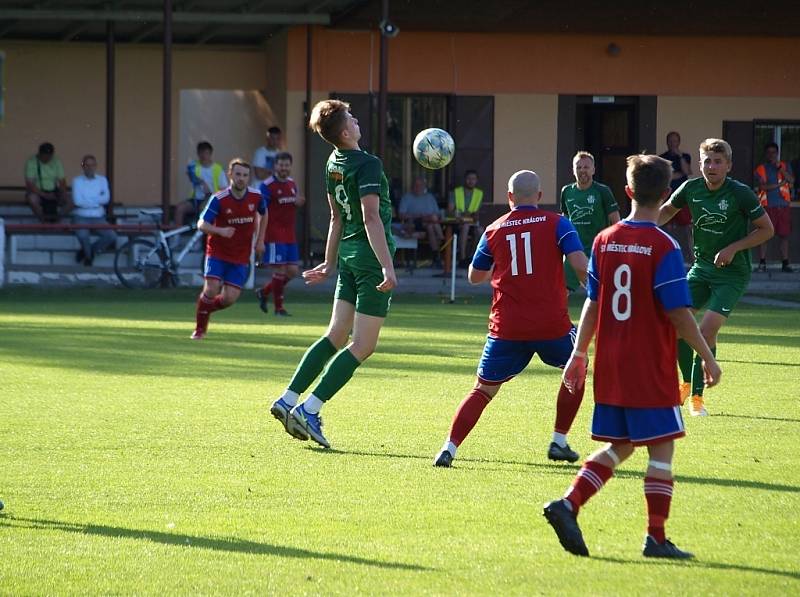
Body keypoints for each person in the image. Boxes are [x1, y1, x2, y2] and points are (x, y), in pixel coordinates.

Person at [543, 154, 722, 560]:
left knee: (621, 445)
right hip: (647, 365)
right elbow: (678, 312)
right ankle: (656, 538)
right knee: (661, 450)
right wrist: (707, 358)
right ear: (665, 196)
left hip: (611, 363)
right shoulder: (663, 244)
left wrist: (578, 353)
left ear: (627, 192)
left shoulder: (605, 240)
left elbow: (591, 302)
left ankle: (567, 504)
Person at [433, 170, 589, 467]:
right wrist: (593, 288)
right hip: (551, 325)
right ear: (540, 197)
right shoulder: (558, 223)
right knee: (577, 369)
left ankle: (448, 448)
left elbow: (474, 277)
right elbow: (580, 265)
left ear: (509, 198)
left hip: (507, 327)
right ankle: (559, 440)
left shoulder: (494, 229)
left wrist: (504, 266)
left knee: (483, 390)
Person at [268, 99, 396, 449]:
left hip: (350, 257)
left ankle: (288, 398)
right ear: (344, 131)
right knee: (363, 345)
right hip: (369, 259)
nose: (357, 121)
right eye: (352, 118)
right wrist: (387, 265)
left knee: (336, 334)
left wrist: (328, 261)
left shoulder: (333, 161)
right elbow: (370, 217)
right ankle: (310, 408)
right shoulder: (368, 164)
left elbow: (336, 217)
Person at [659, 139, 773, 416]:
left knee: (705, 331)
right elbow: (665, 212)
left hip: (732, 274)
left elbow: (766, 229)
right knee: (675, 322)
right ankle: (686, 382)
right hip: (701, 268)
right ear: (700, 164)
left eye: (718, 161)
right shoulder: (691, 188)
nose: (712, 166)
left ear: (729, 166)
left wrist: (733, 248)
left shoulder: (740, 193)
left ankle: (697, 399)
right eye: (707, 161)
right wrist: (637, 227)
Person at [191, 158, 267, 340]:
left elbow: (264, 214)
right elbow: (201, 224)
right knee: (211, 289)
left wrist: (260, 240)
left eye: (245, 175)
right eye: (238, 174)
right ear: (230, 175)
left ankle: (204, 309)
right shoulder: (219, 199)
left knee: (229, 299)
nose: (241, 178)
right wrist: (220, 230)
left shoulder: (256, 197)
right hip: (217, 252)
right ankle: (200, 329)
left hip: (240, 255)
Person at [560, 152, 620, 291]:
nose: (582, 171)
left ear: (593, 169)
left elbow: (616, 221)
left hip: (597, 250)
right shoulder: (567, 191)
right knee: (562, 291)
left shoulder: (602, 191)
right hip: (574, 250)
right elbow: (565, 219)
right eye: (578, 167)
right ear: (573, 170)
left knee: (599, 291)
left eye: (586, 167)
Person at [256, 152, 306, 317]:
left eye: (286, 165)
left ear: (290, 167)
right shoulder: (267, 185)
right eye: (280, 165)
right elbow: (261, 211)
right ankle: (279, 309)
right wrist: (260, 237)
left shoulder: (292, 184)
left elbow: (292, 202)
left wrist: (298, 202)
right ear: (275, 166)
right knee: (279, 270)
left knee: (292, 271)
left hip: (289, 233)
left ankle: (264, 292)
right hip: (273, 233)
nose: (284, 168)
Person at [754, 142, 794, 273]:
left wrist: (781, 169)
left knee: (784, 235)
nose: (771, 155)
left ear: (777, 153)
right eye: (769, 153)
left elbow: (792, 180)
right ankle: (762, 262)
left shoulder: (785, 166)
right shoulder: (761, 168)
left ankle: (785, 263)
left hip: (783, 206)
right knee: (764, 234)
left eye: (774, 153)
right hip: (768, 206)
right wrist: (781, 183)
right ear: (766, 154)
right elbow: (763, 187)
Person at [70, 155, 116, 266]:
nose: (90, 167)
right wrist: (96, 200)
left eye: (92, 165)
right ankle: (89, 258)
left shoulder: (102, 180)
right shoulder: (76, 181)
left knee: (111, 236)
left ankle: (88, 251)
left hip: (98, 216)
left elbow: (106, 199)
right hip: (81, 216)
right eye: (87, 165)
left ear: (96, 166)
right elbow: (77, 201)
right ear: (83, 166)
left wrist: (87, 200)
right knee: (82, 236)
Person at [659, 132, 694, 264]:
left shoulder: (685, 156)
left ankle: (692, 259)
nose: (673, 143)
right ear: (667, 142)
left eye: (675, 141)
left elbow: (688, 172)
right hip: (667, 197)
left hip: (683, 198)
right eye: (670, 141)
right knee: (666, 228)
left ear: (679, 142)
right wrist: (678, 174)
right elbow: (666, 177)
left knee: (687, 229)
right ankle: (665, 259)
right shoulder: (662, 158)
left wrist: (679, 157)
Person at [174, 141, 227, 225]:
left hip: (212, 199)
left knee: (203, 209)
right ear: (198, 154)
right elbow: (191, 176)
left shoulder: (218, 169)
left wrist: (213, 194)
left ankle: (202, 236)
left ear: (210, 154)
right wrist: (201, 181)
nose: (203, 156)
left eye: (206, 153)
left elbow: (224, 189)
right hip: (196, 199)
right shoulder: (194, 166)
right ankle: (176, 236)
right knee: (179, 208)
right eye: (201, 153)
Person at [398, 176, 444, 266]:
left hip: (430, 224)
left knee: (431, 225)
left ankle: (436, 256)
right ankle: (443, 244)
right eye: (416, 185)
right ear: (412, 186)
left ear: (424, 186)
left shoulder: (430, 197)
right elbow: (401, 215)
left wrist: (429, 217)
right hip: (415, 223)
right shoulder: (407, 197)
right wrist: (419, 215)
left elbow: (438, 214)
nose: (418, 187)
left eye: (420, 185)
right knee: (432, 224)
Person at [25, 142, 70, 222]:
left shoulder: (56, 161)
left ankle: (57, 219)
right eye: (44, 157)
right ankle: (44, 221)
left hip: (53, 191)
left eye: (49, 157)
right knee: (32, 199)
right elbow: (30, 184)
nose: (47, 159)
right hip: (37, 191)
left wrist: (61, 192)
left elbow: (62, 181)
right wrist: (45, 195)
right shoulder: (31, 162)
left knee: (72, 200)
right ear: (39, 154)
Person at [448, 170, 485, 267]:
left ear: (476, 181)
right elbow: (450, 211)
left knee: (481, 231)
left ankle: (472, 257)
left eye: (473, 179)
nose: (471, 181)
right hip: (456, 223)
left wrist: (474, 215)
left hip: (472, 222)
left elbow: (477, 212)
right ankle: (462, 258)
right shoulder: (456, 192)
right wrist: (462, 215)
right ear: (465, 180)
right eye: (469, 179)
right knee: (465, 227)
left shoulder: (479, 193)